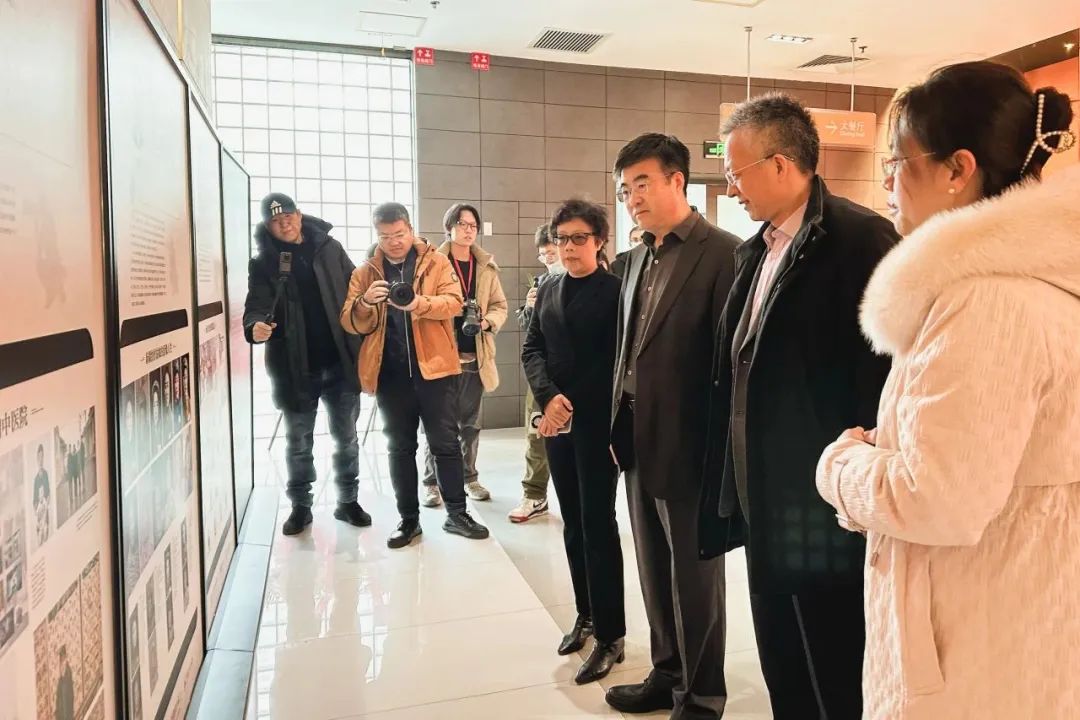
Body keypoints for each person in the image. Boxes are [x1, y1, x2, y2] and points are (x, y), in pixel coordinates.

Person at [815, 62, 1079, 719]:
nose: (888, 181)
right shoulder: (1038, 284)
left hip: (970, 650)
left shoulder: (985, 301)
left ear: (958, 169)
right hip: (1013, 627)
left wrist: (840, 465)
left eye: (898, 161)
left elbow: (936, 499)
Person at [696, 93, 898, 719]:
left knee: (833, 657)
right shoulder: (757, 249)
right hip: (762, 490)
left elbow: (882, 377)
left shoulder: (860, 240)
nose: (731, 188)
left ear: (781, 164)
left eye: (736, 173)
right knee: (780, 651)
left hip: (822, 502)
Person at [607, 133, 739, 719]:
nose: (632, 198)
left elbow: (731, 363)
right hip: (636, 435)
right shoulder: (636, 258)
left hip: (692, 443)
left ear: (677, 180)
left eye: (642, 183)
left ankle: (702, 696)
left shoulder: (725, 254)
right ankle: (666, 672)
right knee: (653, 567)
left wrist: (720, 450)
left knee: (695, 577)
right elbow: (628, 349)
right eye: (624, 190)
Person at [341, 202, 489, 548]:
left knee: (446, 443)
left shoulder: (435, 262)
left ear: (410, 229)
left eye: (399, 234)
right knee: (399, 448)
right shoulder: (366, 272)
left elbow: (453, 302)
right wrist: (365, 302)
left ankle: (457, 514)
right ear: (377, 235)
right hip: (390, 374)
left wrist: (417, 303)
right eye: (385, 236)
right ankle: (408, 520)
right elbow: (349, 321)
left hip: (436, 370)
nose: (393, 242)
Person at [522, 199, 626, 685]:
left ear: (599, 241)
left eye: (579, 238)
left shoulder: (617, 292)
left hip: (599, 426)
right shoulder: (548, 287)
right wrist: (549, 398)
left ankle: (611, 632)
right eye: (561, 239)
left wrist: (570, 403)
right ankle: (585, 614)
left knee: (598, 525)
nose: (568, 247)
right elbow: (532, 348)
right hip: (558, 424)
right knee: (572, 524)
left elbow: (617, 362)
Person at [243, 192, 370, 537]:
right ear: (267, 226)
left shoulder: (329, 248)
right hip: (295, 366)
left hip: (340, 361)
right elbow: (256, 305)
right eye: (275, 221)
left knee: (347, 438)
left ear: (299, 215)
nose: (284, 224)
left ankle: (348, 501)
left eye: (288, 216)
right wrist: (254, 326)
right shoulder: (264, 262)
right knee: (299, 442)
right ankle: (301, 507)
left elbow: (356, 288)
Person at [421, 203, 508, 506]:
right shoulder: (433, 263)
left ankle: (469, 478)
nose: (469, 230)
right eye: (462, 224)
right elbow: (423, 304)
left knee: (470, 426)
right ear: (449, 228)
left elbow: (500, 306)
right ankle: (432, 482)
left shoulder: (486, 266)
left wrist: (486, 322)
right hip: (441, 358)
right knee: (437, 424)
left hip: (475, 357)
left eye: (473, 225)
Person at [509, 224, 564, 523]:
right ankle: (534, 494)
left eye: (551, 253)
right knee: (536, 433)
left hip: (579, 374)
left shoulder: (596, 280)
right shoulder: (541, 282)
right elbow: (530, 335)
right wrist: (530, 308)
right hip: (542, 374)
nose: (548, 259)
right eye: (543, 255)